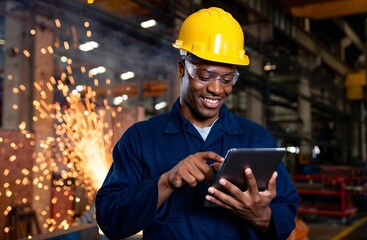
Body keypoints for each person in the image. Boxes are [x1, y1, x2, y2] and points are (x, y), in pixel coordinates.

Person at [95, 7, 299, 240]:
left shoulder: (257, 139)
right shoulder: (141, 139)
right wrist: (166, 182)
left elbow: (287, 213)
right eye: (204, 76)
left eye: (227, 79)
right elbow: (110, 220)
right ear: (182, 68)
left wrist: (260, 217)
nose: (216, 89)